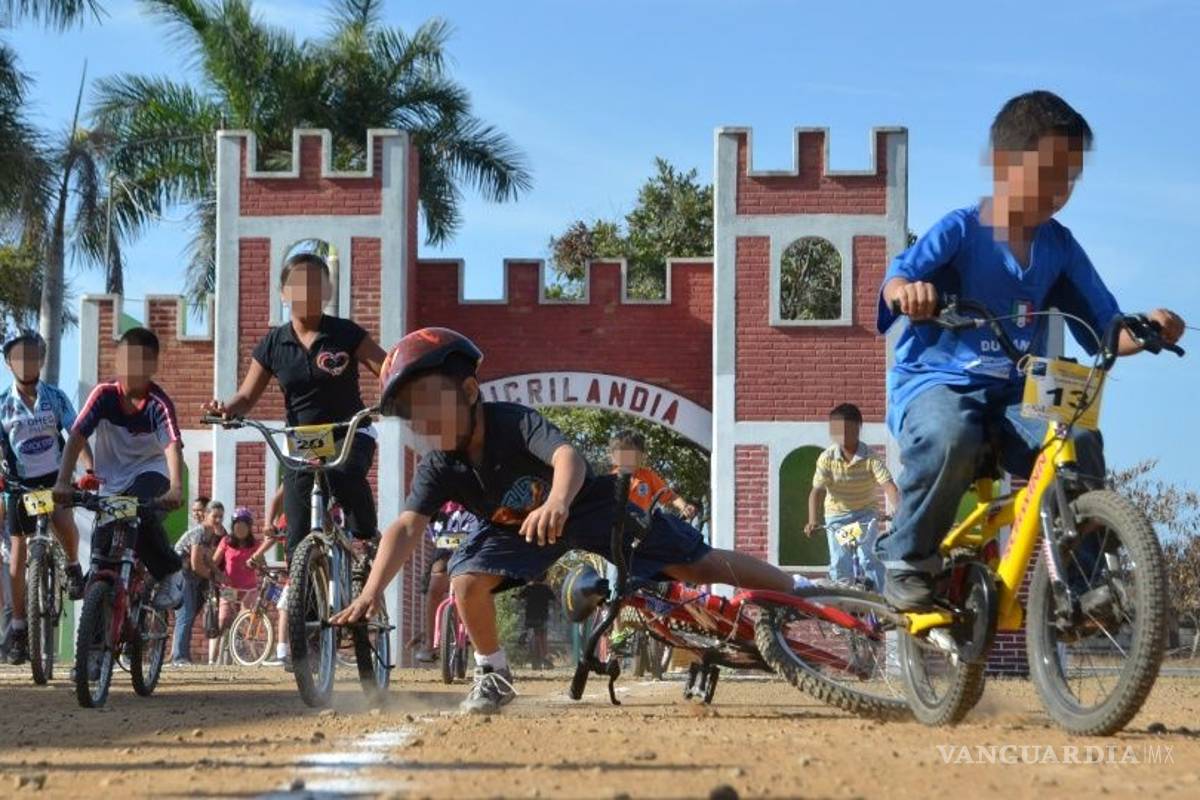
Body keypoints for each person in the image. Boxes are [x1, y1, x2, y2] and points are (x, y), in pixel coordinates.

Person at [332, 327, 797, 715]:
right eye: (411, 413)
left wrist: (556, 499)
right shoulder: (439, 467)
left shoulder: (511, 423)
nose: (422, 421)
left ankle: (801, 590)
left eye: (429, 402)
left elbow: (566, 456)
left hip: (585, 505)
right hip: (519, 531)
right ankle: (493, 672)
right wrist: (371, 592)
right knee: (466, 580)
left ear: (469, 391)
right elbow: (406, 527)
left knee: (696, 566)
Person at [875, 90, 1186, 611]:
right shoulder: (960, 230)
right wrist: (909, 293)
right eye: (1048, 174)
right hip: (939, 383)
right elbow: (897, 279)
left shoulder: (1060, 247)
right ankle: (907, 558)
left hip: (1018, 392)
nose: (1059, 191)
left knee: (1080, 439)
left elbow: (1104, 329)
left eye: (1069, 179)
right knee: (951, 434)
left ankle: (1085, 584)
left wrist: (1150, 327)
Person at [203, 252, 388, 558]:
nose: (306, 292)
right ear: (283, 293)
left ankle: (367, 536)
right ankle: (305, 591)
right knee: (296, 534)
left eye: (315, 284)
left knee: (343, 472)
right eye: (298, 285)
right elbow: (247, 397)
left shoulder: (345, 334)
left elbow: (387, 369)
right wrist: (227, 410)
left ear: (327, 291)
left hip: (349, 433)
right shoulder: (273, 344)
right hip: (304, 441)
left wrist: (399, 394)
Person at [52, 327, 186, 610]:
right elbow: (76, 436)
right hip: (111, 481)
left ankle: (171, 571)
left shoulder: (158, 405)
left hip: (151, 473)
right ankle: (97, 639)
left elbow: (172, 445)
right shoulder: (103, 395)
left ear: (153, 366)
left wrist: (175, 487)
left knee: (138, 509)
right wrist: (63, 481)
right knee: (101, 554)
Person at [0, 332, 95, 665]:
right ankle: (18, 626)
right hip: (19, 485)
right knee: (18, 553)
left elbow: (77, 435)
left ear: (40, 359)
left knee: (65, 523)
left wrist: (89, 469)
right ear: (9, 362)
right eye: (18, 356)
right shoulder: (2, 405)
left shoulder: (55, 398)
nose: (26, 362)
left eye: (32, 355)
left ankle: (72, 567)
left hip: (55, 480)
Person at [804, 403, 898, 589]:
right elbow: (817, 491)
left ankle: (881, 603)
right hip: (837, 517)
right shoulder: (827, 458)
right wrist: (812, 521)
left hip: (865, 515)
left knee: (868, 558)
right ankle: (842, 608)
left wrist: (898, 511)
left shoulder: (871, 457)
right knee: (840, 562)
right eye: (838, 431)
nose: (843, 435)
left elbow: (889, 486)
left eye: (848, 430)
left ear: (859, 428)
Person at [415, 501, 479, 663]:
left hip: (473, 524)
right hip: (448, 529)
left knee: (474, 583)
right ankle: (430, 642)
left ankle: (472, 632)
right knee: (435, 588)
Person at [170, 499, 225, 666]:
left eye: (221, 517)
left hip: (190, 576)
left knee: (190, 614)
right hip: (181, 574)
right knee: (185, 614)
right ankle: (179, 657)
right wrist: (211, 576)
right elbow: (195, 563)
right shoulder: (199, 532)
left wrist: (219, 574)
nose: (218, 520)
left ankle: (184, 656)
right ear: (206, 515)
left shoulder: (209, 534)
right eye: (215, 516)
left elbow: (207, 558)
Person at [608, 430, 697, 519]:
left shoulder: (648, 476)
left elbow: (670, 496)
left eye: (634, 453)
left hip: (641, 528)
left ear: (642, 456)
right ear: (613, 457)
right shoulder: (609, 480)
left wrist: (684, 506)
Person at [212, 506, 260, 662]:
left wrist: (257, 564)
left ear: (249, 527)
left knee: (246, 619)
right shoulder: (226, 541)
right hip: (229, 588)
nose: (240, 528)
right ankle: (213, 659)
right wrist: (218, 575)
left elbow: (262, 564)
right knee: (223, 619)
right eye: (237, 525)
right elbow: (214, 562)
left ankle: (251, 657)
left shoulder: (255, 544)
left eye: (244, 525)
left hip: (249, 589)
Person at [516, 576, 556, 670]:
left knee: (526, 628)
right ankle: (545, 657)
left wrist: (515, 596)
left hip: (530, 617)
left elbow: (519, 597)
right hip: (542, 617)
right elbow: (554, 599)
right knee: (543, 637)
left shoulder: (528, 588)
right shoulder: (546, 588)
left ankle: (523, 637)